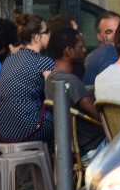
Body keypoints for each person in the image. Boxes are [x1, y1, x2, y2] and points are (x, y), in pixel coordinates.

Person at [44, 27, 106, 160]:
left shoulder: (51, 79)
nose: (84, 50)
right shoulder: (70, 81)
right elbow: (102, 117)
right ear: (68, 51)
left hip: (76, 149)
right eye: (80, 46)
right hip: (94, 148)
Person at [0, 13, 54, 143]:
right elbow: (56, 93)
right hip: (27, 128)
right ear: (37, 37)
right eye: (47, 31)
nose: (50, 35)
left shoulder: (9, 60)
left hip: (3, 129)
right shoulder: (43, 62)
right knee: (64, 120)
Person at [82, 10, 120, 87]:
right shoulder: (97, 58)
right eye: (109, 32)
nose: (115, 36)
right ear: (98, 36)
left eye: (118, 31)